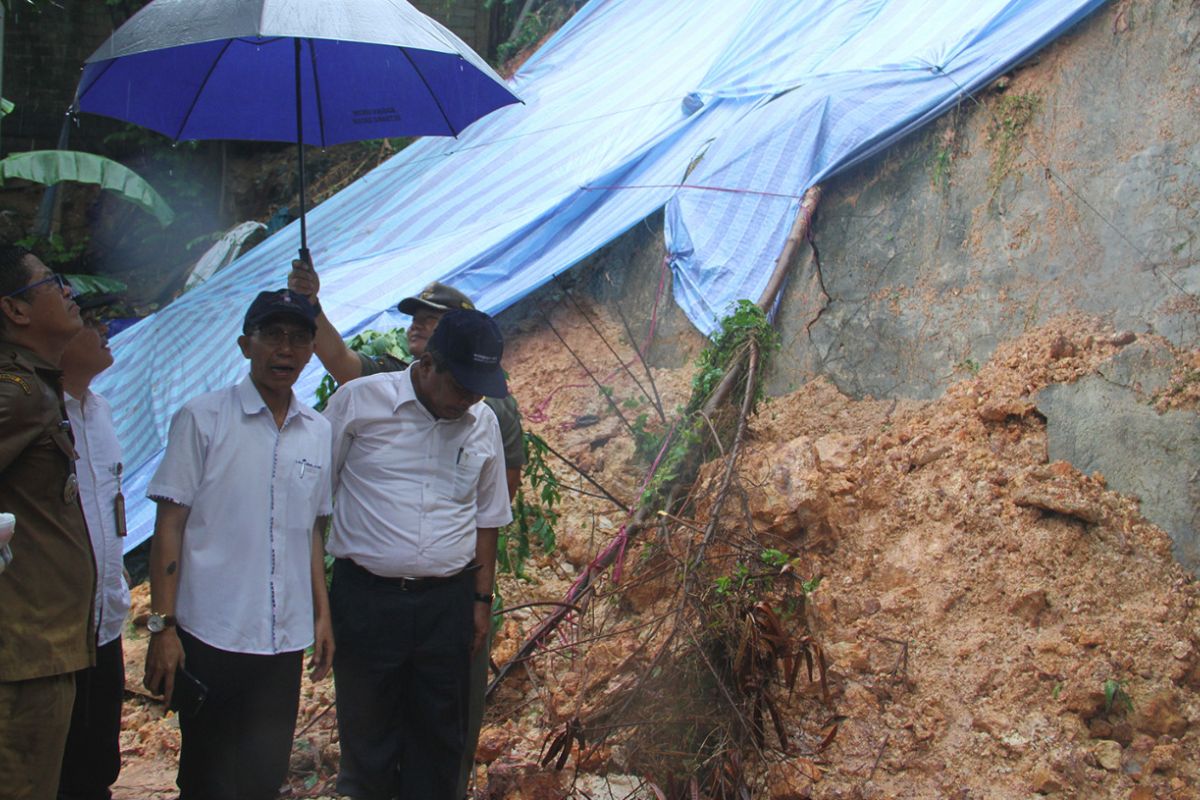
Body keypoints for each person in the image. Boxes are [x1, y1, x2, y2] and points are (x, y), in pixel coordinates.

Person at [289, 260, 524, 795]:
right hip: (367, 601)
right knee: (368, 743)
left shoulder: (483, 420)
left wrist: (480, 603)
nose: (469, 399)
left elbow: (490, 518)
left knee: (439, 744)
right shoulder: (359, 403)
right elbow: (313, 509)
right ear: (430, 363)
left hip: (447, 606)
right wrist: (321, 608)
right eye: (462, 386)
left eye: (478, 389)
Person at [143, 289, 335, 800]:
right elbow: (170, 525)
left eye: (298, 338)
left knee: (262, 777)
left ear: (312, 351)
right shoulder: (203, 419)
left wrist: (321, 614)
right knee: (208, 778)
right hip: (212, 633)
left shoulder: (318, 431)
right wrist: (162, 627)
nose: (285, 350)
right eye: (272, 336)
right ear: (244, 345)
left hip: (283, 640)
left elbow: (311, 531)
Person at [0, 243, 95, 800]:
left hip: (40, 647)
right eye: (52, 281)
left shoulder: (37, 386)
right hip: (21, 655)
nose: (68, 291)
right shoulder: (17, 394)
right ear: (15, 310)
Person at [57, 302, 130, 800]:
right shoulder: (30, 411)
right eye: (86, 321)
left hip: (104, 622)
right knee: (51, 767)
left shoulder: (99, 408)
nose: (103, 330)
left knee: (96, 763)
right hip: (53, 632)